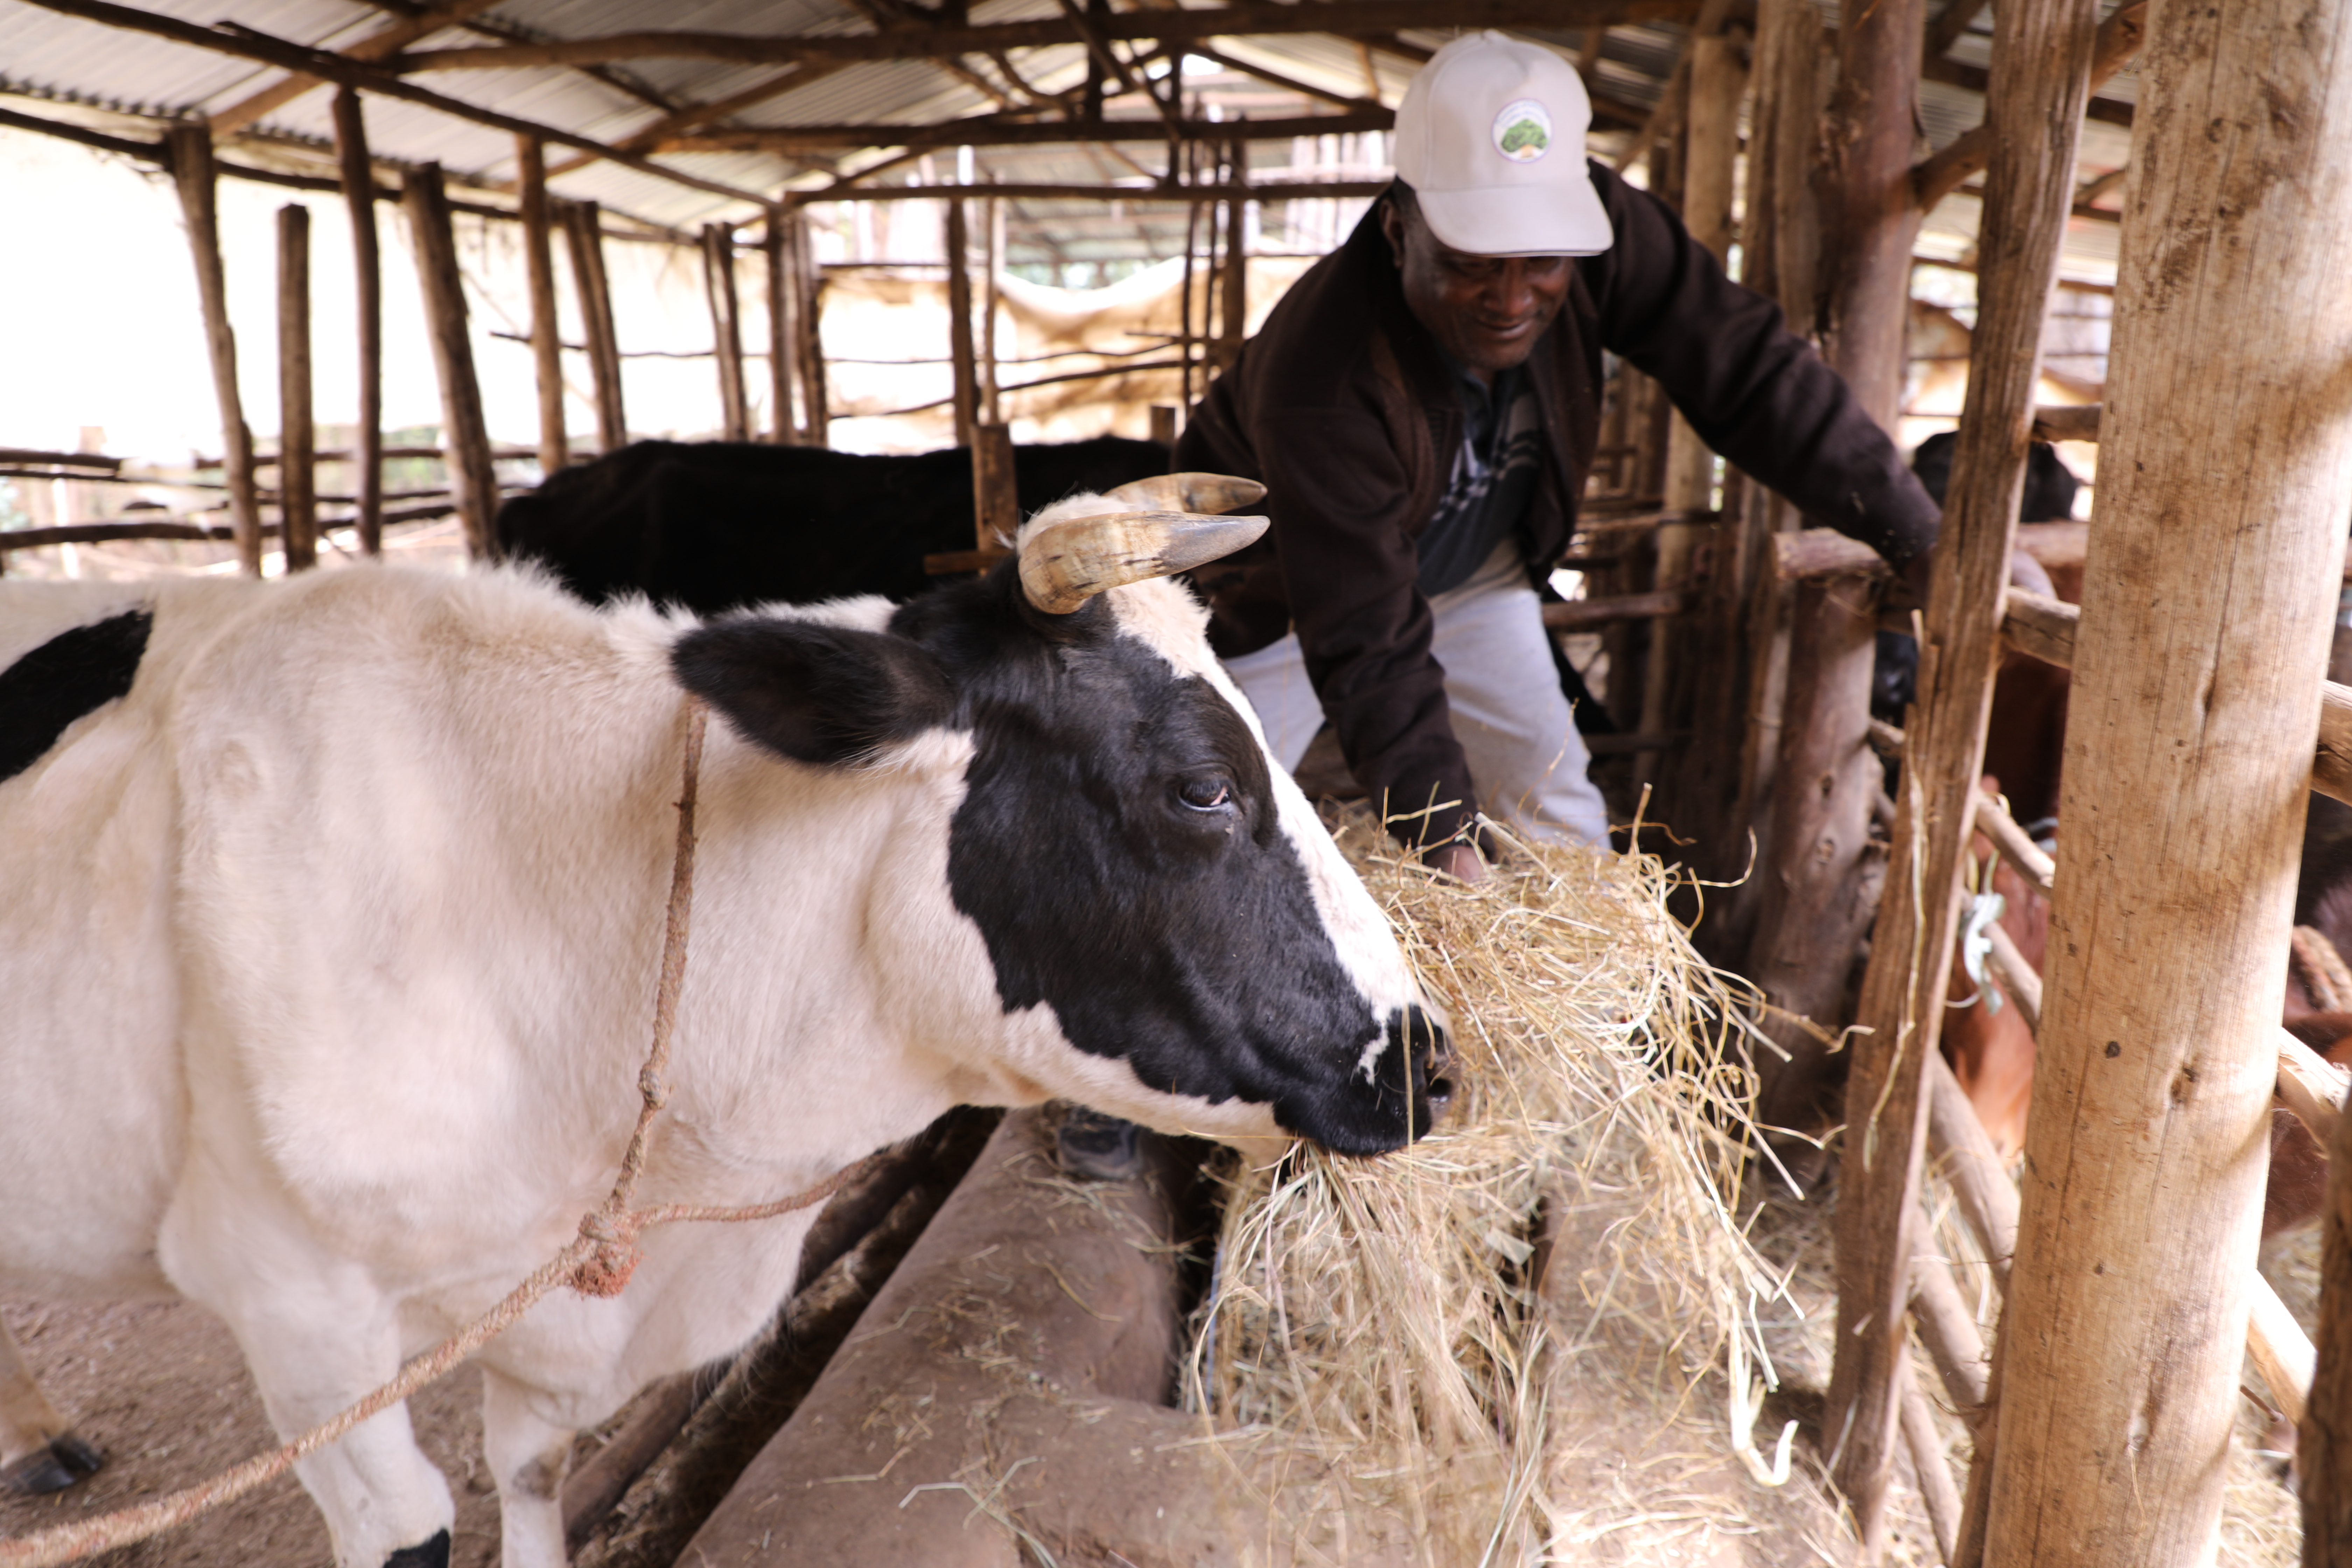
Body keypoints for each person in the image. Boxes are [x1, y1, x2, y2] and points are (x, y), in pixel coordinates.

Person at [1176, 30, 1941, 882]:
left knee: (1561, 817)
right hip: (1278, 596)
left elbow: (1746, 367)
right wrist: (1442, 838)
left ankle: (1599, 1007)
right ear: (1399, 231)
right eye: (1471, 265)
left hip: (1467, 569)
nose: (1512, 299)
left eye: (1543, 263)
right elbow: (1365, 635)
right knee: (1213, 830)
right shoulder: (1324, 371)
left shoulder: (1606, 228)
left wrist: (1917, 533)